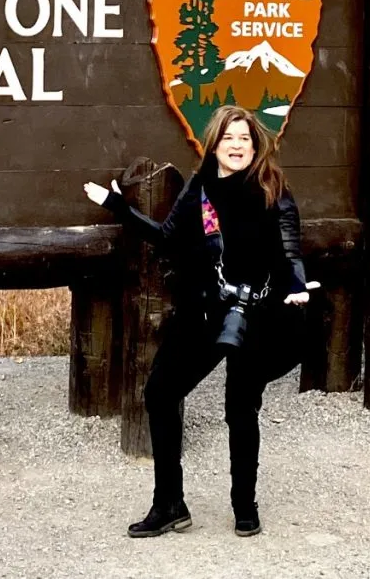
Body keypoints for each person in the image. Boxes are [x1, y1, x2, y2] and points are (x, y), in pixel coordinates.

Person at [83, 105, 311, 539]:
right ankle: (169, 503)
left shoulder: (272, 188)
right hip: (205, 313)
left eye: (244, 138)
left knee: (241, 408)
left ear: (255, 143)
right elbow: (167, 238)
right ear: (214, 144)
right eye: (228, 138)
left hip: (255, 314)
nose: (237, 146)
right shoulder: (201, 189)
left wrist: (296, 285)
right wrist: (118, 206)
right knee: (160, 393)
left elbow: (289, 250)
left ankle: (245, 505)